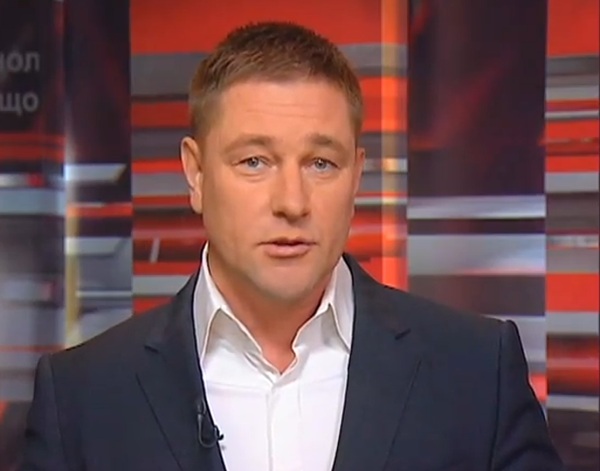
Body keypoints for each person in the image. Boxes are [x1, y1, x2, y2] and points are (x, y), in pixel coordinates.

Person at [20, 21, 563, 471]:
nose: (292, 201)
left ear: (357, 177)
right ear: (196, 174)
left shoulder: (477, 372)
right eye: (254, 161)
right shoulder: (82, 397)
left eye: (321, 163)